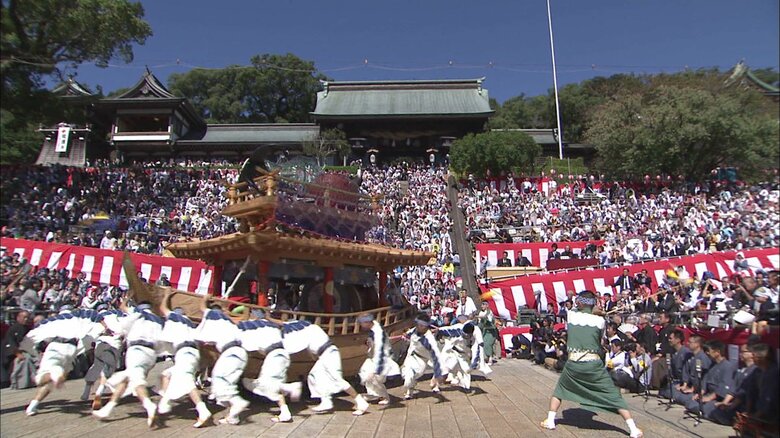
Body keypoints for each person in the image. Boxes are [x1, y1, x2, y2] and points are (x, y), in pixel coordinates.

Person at [541, 290, 643, 438]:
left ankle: (550, 420)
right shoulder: (600, 322)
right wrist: (596, 313)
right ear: (593, 304)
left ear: (580, 303)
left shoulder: (571, 315)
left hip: (574, 362)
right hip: (593, 363)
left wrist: (593, 310)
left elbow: (575, 309)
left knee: (560, 390)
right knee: (613, 394)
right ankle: (632, 428)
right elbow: (600, 341)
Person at [93, 298, 163, 427]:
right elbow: (161, 344)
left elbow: (120, 328)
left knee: (136, 382)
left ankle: (149, 406)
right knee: (126, 380)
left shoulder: (137, 314)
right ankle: (107, 409)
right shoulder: (158, 320)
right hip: (151, 355)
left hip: (136, 350)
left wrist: (125, 302)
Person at [25, 306, 104, 416]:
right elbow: (96, 316)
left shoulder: (54, 320)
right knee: (51, 382)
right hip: (72, 348)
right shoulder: (78, 318)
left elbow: (36, 332)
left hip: (56, 346)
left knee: (40, 379)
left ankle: (55, 374)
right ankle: (33, 405)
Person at [281, 319, 369, 415]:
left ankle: (361, 402)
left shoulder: (310, 330)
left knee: (337, 379)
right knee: (314, 376)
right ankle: (326, 401)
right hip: (325, 355)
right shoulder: (310, 329)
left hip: (329, 353)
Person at [155, 290, 212, 428]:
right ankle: (165, 401)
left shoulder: (174, 317)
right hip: (191, 352)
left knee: (186, 381)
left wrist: (167, 295)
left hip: (184, 352)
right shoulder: (191, 324)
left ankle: (202, 410)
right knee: (166, 374)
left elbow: (163, 308)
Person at [194, 296, 249, 425]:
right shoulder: (230, 321)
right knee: (225, 383)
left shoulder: (212, 314)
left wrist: (205, 298)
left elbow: (202, 307)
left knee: (218, 379)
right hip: (240, 353)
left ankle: (237, 402)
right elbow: (245, 314)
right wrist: (225, 308)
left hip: (231, 353)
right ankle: (233, 417)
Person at [240, 311, 303, 423]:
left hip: (274, 356)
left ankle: (291, 388)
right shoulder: (273, 326)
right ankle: (285, 411)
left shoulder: (254, 328)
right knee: (271, 385)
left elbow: (249, 346)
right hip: (283, 354)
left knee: (264, 385)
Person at [82, 305, 124, 410]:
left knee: (96, 366)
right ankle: (99, 392)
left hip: (100, 342)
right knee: (107, 370)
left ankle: (86, 392)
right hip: (114, 342)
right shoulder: (116, 313)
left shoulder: (96, 317)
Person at [357, 313, 400, 405]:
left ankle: (385, 397)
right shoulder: (373, 327)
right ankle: (374, 394)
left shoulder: (378, 333)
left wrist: (377, 370)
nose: (360, 325)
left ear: (367, 322)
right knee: (364, 374)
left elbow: (380, 352)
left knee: (374, 378)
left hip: (383, 358)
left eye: (362, 323)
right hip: (372, 356)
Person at [401, 313, 446, 400]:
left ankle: (411, 386)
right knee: (407, 375)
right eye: (417, 325)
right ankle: (410, 391)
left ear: (426, 326)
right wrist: (405, 336)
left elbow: (436, 356)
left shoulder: (429, 340)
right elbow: (408, 334)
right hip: (411, 356)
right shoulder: (415, 330)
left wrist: (438, 373)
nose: (418, 327)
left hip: (421, 360)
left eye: (421, 325)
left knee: (411, 377)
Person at [689, 340, 737, 414]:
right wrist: (700, 393)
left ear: (717, 352)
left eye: (708, 351)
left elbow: (724, 387)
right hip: (708, 394)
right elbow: (705, 381)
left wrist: (709, 398)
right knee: (690, 403)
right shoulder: (712, 365)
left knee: (704, 409)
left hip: (718, 398)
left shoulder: (728, 367)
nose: (706, 353)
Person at [1, 310, 30, 388]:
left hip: (25, 351)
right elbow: (11, 342)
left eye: (28, 317)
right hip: (12, 353)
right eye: (24, 317)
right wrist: (17, 353)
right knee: (24, 360)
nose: (26, 319)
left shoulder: (27, 329)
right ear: (18, 318)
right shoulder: (13, 328)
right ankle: (19, 382)